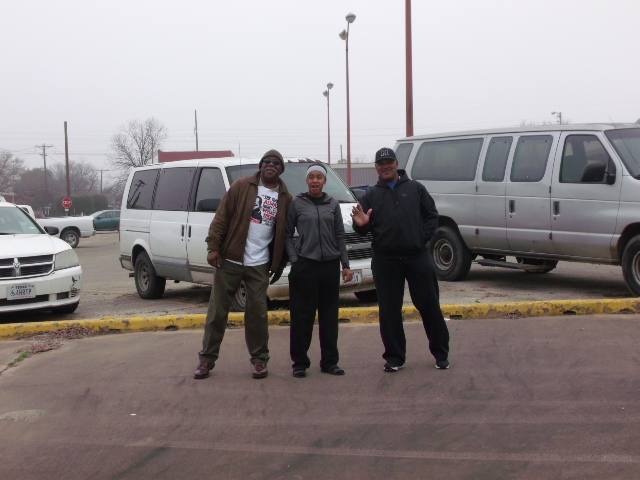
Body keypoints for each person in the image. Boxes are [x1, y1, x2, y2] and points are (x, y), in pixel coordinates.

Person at [194, 149, 293, 380]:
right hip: (230, 259)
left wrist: (280, 264)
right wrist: (213, 247)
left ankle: (260, 361)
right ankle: (206, 360)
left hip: (259, 264)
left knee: (257, 313)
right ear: (261, 166)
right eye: (267, 161)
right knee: (218, 312)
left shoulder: (286, 198)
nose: (271, 164)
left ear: (281, 169)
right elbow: (221, 217)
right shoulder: (241, 186)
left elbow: (285, 234)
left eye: (276, 162)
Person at [351, 147, 450, 372]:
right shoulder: (370, 196)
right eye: (380, 163)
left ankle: (441, 354)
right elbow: (361, 228)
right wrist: (362, 225)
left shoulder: (416, 189)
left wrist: (421, 238)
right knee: (389, 311)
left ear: (396, 164)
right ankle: (395, 358)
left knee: (429, 306)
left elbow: (432, 215)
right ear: (376, 168)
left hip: (417, 257)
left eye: (389, 162)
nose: (385, 166)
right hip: (385, 261)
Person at [286, 163, 353, 378]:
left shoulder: (332, 204)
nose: (315, 180)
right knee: (302, 317)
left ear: (325, 181)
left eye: (319, 177)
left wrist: (345, 265)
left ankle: (330, 362)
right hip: (305, 265)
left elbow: (340, 235)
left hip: (329, 266)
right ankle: (299, 363)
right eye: (311, 177)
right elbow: (287, 234)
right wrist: (295, 260)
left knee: (329, 317)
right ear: (307, 180)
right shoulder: (297, 204)